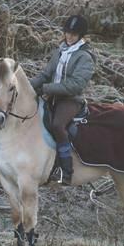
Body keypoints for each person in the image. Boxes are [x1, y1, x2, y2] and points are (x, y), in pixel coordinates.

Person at [30, 14, 95, 185]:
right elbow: (45, 75)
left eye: (73, 34)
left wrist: (46, 89)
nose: (69, 36)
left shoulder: (85, 57)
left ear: (80, 36)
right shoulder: (59, 51)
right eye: (67, 32)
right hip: (53, 97)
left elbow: (75, 85)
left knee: (57, 125)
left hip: (71, 100)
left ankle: (65, 171)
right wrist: (26, 85)